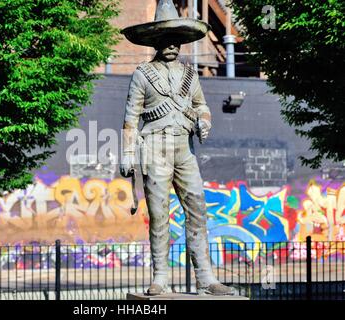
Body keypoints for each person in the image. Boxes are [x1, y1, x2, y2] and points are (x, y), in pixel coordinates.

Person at [119, 0, 234, 296]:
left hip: (185, 149)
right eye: (165, 40)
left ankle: (206, 279)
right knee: (159, 214)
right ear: (156, 42)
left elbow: (201, 106)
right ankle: (159, 277)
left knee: (197, 208)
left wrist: (205, 120)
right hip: (155, 147)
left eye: (176, 40)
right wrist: (128, 154)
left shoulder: (189, 75)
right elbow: (130, 119)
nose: (171, 45)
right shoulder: (143, 75)